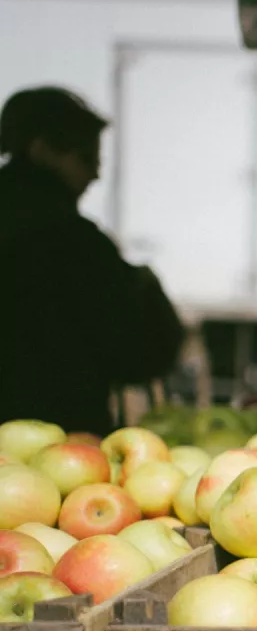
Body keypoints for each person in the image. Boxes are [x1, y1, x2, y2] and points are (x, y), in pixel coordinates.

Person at [0, 87, 184, 436]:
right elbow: (139, 353)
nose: (95, 175)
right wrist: (146, 286)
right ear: (41, 150)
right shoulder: (73, 242)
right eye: (86, 158)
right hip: (61, 438)